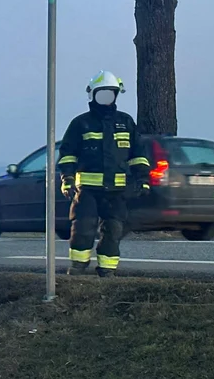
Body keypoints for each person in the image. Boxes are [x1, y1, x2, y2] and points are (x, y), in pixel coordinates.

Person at [58, 71, 150, 277]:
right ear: (93, 95)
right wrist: (67, 179)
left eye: (111, 93)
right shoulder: (81, 124)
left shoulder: (126, 122)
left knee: (114, 231)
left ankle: (107, 272)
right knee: (83, 229)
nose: (107, 98)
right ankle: (78, 269)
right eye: (103, 94)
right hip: (87, 191)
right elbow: (67, 155)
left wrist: (142, 179)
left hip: (116, 192)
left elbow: (138, 155)